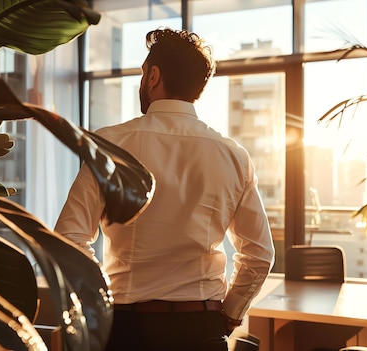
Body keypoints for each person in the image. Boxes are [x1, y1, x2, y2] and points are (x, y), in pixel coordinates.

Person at [54, 27, 275, 351]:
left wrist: (102, 302)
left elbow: (69, 238)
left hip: (127, 329)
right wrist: (228, 316)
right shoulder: (233, 155)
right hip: (201, 329)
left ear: (154, 76)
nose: (142, 82)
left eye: (144, 74)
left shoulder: (111, 145)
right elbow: (260, 254)